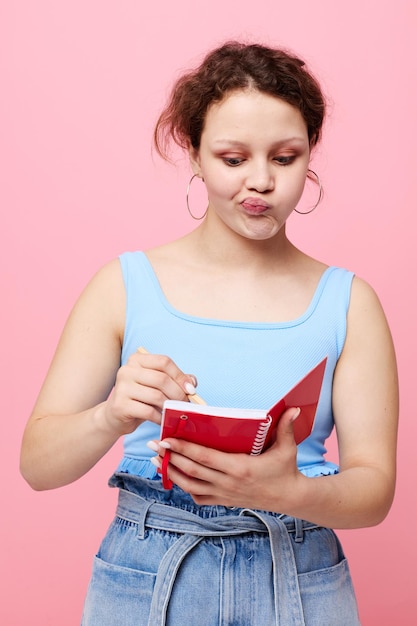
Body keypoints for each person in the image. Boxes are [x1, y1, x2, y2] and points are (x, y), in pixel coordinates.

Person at [20, 41, 398, 625]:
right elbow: (37, 466)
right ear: (193, 153)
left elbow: (374, 491)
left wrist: (287, 492)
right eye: (232, 158)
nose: (261, 181)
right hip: (149, 573)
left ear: (309, 156)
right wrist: (111, 415)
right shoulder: (123, 286)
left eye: (286, 156)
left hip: (296, 568)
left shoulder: (350, 303)